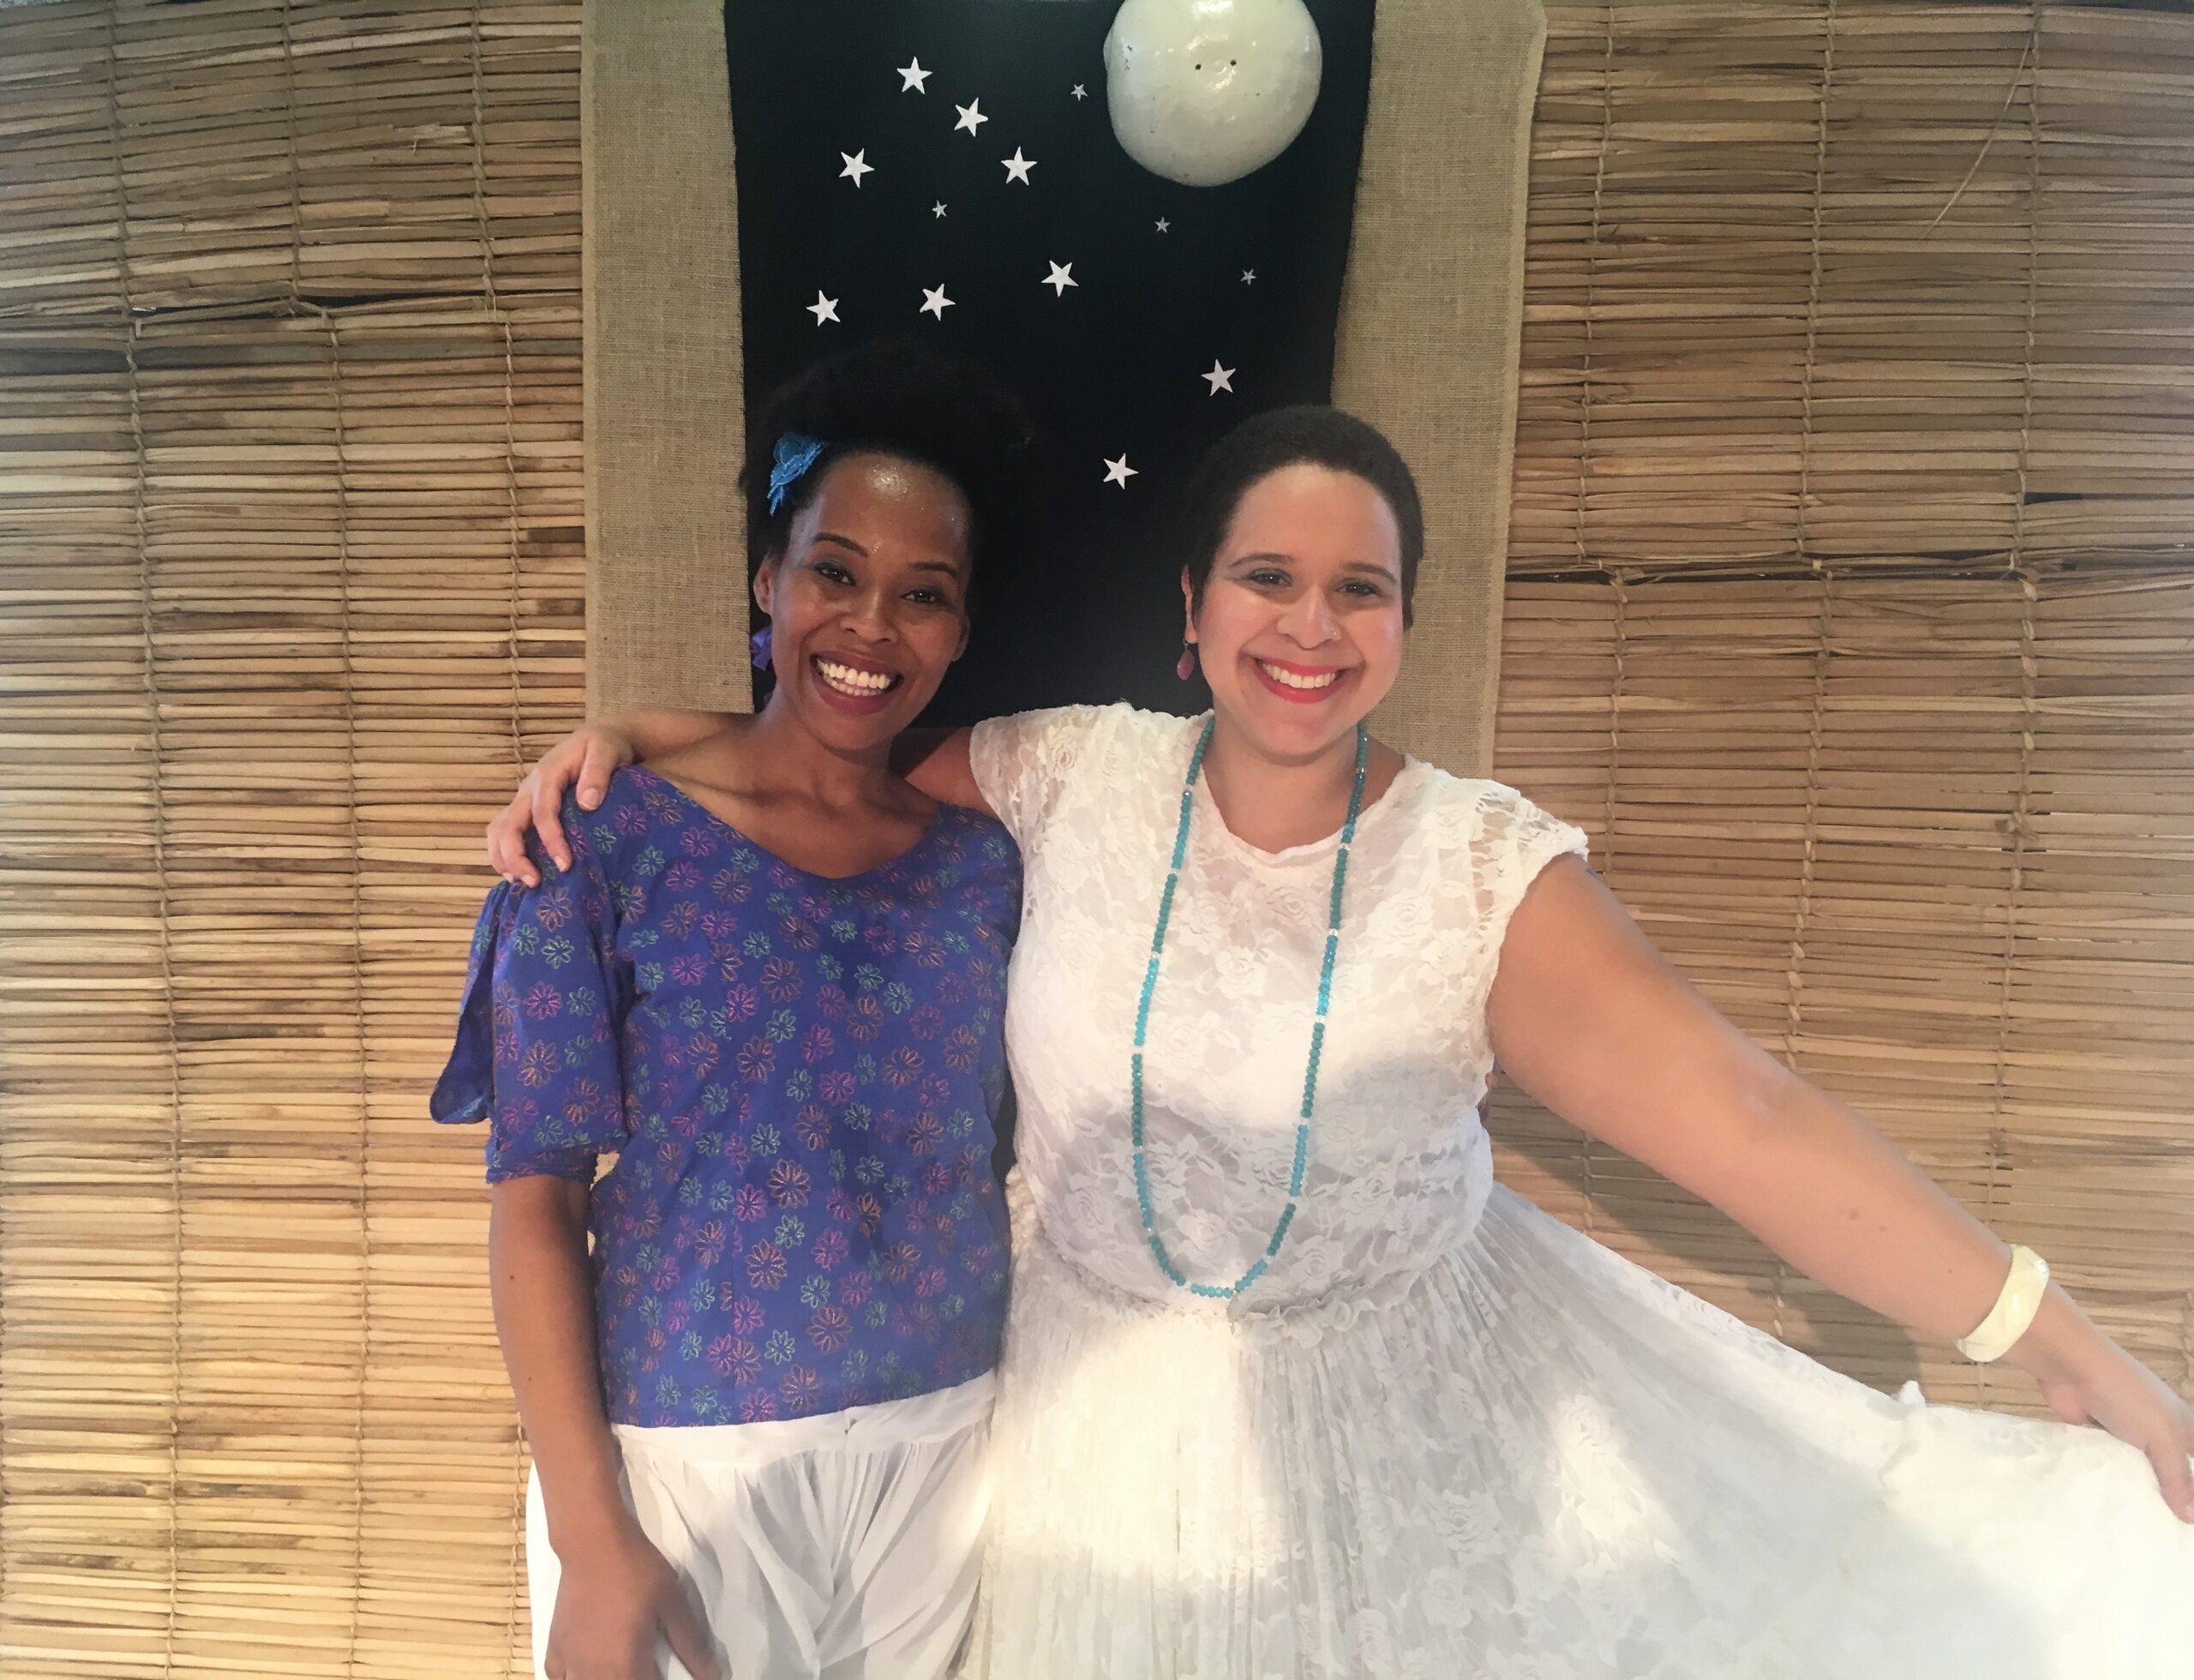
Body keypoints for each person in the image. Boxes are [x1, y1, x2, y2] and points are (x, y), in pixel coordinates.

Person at [489, 406, 2194, 1677]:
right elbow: (821, 755)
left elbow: (1747, 1115)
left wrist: (2054, 1337)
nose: (1307, 627)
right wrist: (624, 738)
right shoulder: (1068, 773)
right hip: (1056, 1468)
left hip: (1386, 1467)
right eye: (1267, 577)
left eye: (1356, 589)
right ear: (1193, 604)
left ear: (1401, 621)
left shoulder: (1477, 870)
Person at [433, 340, 1034, 1680]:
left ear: (961, 628)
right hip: (684, 1465)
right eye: (835, 572)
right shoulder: (601, 839)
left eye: (923, 595)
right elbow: (536, 1197)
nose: (871, 626)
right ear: (769, 579)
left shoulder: (986, 864)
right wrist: (593, 1539)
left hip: (954, 1451)